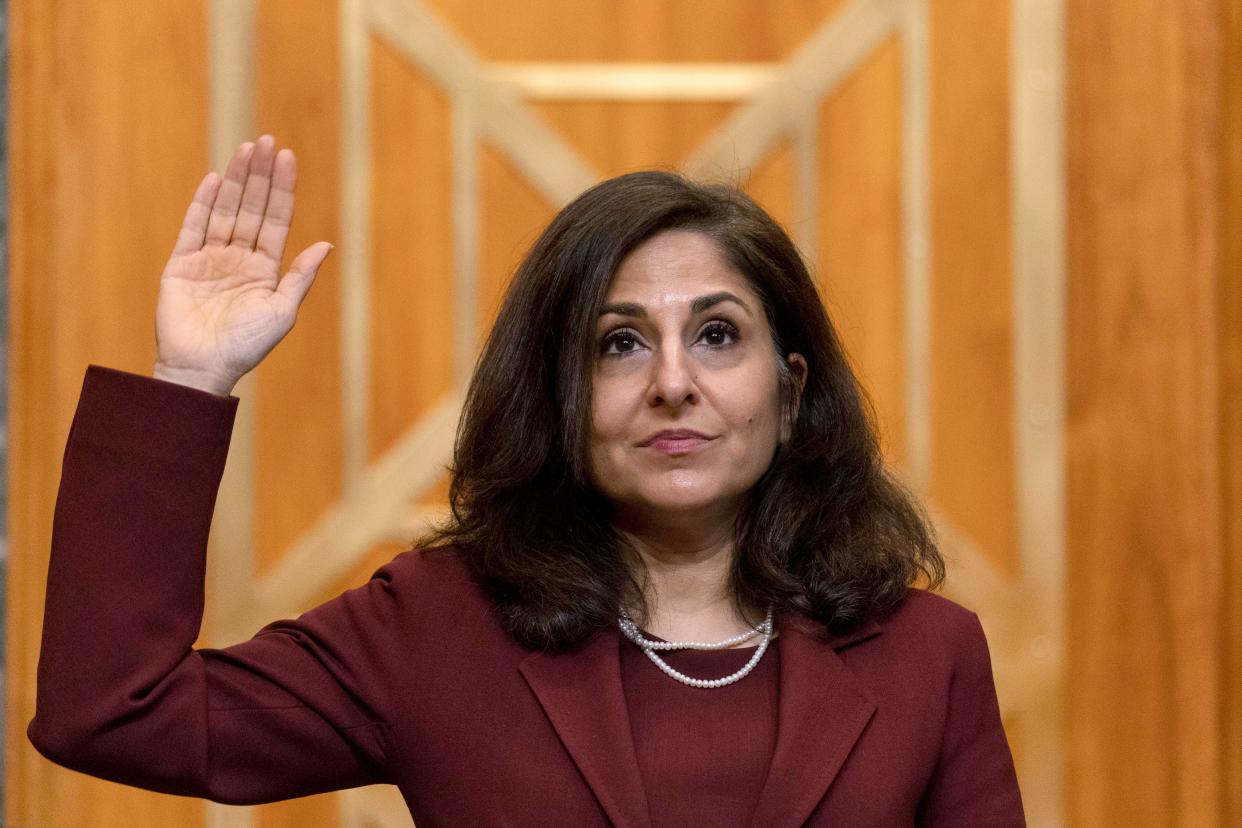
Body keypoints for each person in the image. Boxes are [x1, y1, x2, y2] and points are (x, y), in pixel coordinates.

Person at [28, 135, 1026, 826]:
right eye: (619, 345)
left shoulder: (928, 657)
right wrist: (188, 379)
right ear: (558, 394)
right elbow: (116, 712)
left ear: (789, 385)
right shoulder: (436, 627)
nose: (673, 383)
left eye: (717, 335)